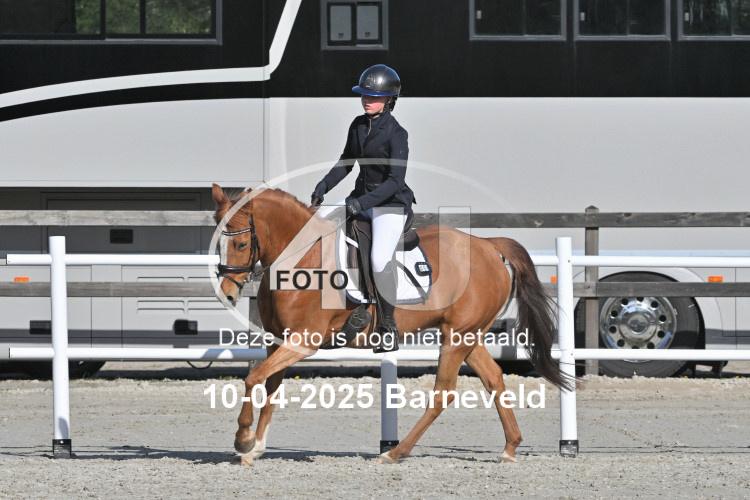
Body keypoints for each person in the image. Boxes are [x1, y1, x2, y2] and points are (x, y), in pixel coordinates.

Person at [310, 64, 416, 353]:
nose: (367, 100)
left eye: (374, 97)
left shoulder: (397, 134)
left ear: (389, 100)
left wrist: (361, 203)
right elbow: (346, 162)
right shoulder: (358, 125)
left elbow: (395, 181)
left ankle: (387, 326)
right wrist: (323, 185)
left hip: (390, 205)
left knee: (379, 258)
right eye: (364, 95)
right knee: (318, 232)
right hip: (360, 199)